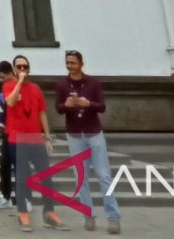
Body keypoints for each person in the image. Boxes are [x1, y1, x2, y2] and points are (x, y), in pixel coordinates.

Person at [55, 50, 120, 234]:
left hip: (94, 133)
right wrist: (66, 105)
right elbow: (58, 108)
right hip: (74, 134)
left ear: (81, 64)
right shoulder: (62, 84)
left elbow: (102, 106)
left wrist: (88, 104)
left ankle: (113, 217)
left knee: (104, 175)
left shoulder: (93, 82)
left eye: (73, 63)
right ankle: (88, 215)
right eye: (68, 62)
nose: (70, 66)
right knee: (80, 178)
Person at [7, 54, 67, 231]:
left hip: (35, 138)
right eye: (19, 67)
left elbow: (42, 113)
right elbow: (10, 102)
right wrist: (19, 83)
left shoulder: (36, 89)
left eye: (25, 67)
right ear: (14, 70)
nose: (22, 70)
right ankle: (22, 214)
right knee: (23, 177)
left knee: (46, 176)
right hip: (17, 138)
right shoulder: (9, 86)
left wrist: (47, 138)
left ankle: (49, 212)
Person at [0, 60, 15, 210]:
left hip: (19, 131)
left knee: (14, 164)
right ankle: (6, 195)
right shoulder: (6, 87)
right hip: (7, 130)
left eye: (2, 76)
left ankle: (13, 196)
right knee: (5, 164)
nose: (1, 80)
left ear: (10, 73)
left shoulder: (16, 86)